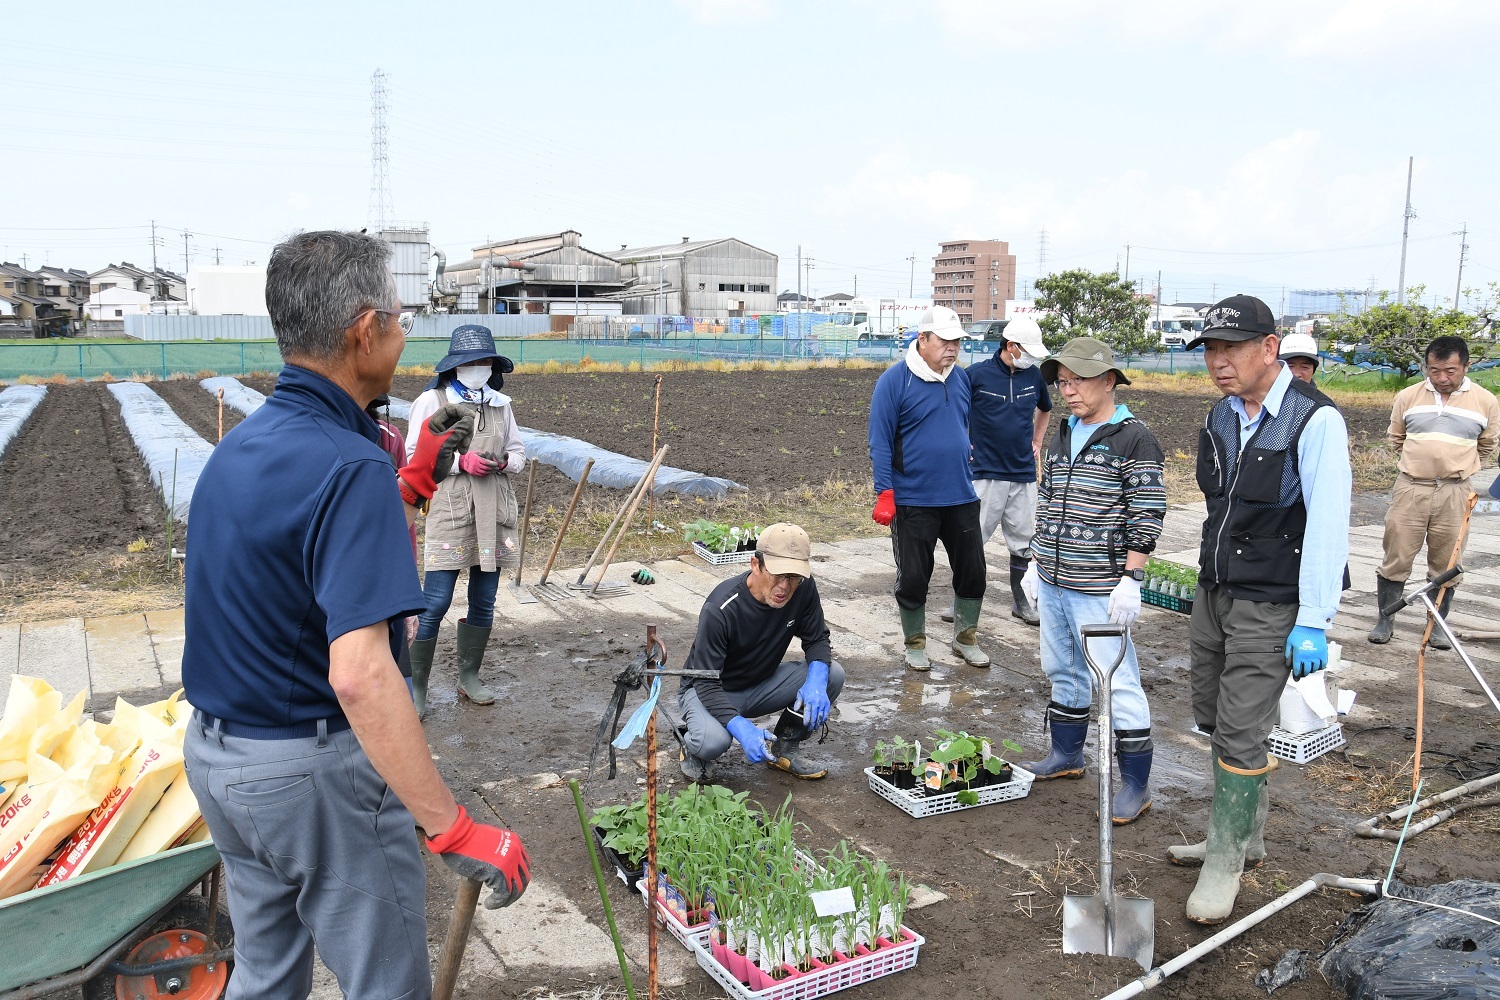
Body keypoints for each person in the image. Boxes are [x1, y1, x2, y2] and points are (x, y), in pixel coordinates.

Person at [181, 230, 530, 999]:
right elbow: (364, 677)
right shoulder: (349, 466)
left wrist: (406, 483)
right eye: (402, 319)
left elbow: (288, 578)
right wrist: (452, 825)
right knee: (384, 982)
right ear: (364, 329)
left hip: (217, 760)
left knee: (268, 973)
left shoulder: (241, 449)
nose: (409, 337)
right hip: (308, 775)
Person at [1170, 294, 1350, 925]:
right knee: (1211, 714)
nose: (1218, 362)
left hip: (1274, 601)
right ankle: (1246, 833)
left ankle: (1226, 859)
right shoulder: (1221, 417)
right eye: (1210, 350)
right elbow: (1219, 507)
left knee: (1243, 723)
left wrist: (1314, 618)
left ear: (1270, 348)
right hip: (1216, 589)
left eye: (1231, 349)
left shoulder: (1314, 421)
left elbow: (1328, 522)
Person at [1018, 338, 1165, 824]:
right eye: (1062, 382)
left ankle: (1136, 785)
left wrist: (1132, 577)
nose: (1069, 391)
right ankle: (1067, 755)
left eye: (1078, 380)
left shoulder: (1133, 438)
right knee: (1062, 668)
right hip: (1056, 578)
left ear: (1108, 380)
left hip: (1099, 585)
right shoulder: (1063, 432)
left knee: (1117, 680)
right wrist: (1037, 562)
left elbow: (1147, 510)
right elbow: (1049, 501)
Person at [406, 325, 527, 715]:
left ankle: (468, 676)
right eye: (470, 361)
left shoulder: (500, 404)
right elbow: (414, 455)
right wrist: (461, 462)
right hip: (453, 509)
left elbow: (519, 452)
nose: (478, 367)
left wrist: (507, 462)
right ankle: (417, 686)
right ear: (455, 365)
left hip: (494, 510)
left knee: (484, 599)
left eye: (484, 361)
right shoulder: (432, 400)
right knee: (436, 600)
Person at [868, 305, 990, 671]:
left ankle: (965, 639)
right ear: (922, 339)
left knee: (973, 570)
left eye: (957, 342)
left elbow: (962, 423)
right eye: (945, 341)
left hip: (960, 495)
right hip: (914, 499)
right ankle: (915, 643)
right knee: (914, 576)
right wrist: (885, 491)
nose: (952, 348)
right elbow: (880, 440)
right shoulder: (895, 381)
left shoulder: (960, 378)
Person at [677, 523, 843, 781]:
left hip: (761, 684)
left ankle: (785, 748)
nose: (785, 587)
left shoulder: (804, 589)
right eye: (777, 575)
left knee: (830, 674)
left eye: (793, 577)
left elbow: (817, 638)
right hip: (711, 690)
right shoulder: (721, 608)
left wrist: (816, 682)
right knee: (712, 742)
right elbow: (705, 683)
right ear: (756, 564)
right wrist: (742, 728)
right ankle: (691, 746)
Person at [1367, 336, 1499, 648]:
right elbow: (1396, 437)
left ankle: (1438, 623)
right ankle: (1385, 618)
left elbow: (1488, 445)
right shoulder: (1408, 396)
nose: (1442, 378)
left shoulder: (1485, 401)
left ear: (1466, 366)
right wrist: (1421, 463)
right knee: (1396, 554)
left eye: (1451, 371)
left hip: (1456, 492)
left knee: (1447, 561)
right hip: (1411, 488)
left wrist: (1457, 466)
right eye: (1434, 370)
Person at [962, 315, 1053, 626]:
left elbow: (1045, 409)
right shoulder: (975, 376)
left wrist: (1038, 440)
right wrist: (963, 442)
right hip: (984, 471)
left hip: (1023, 472)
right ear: (1011, 346)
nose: (1031, 358)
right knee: (972, 540)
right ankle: (963, 602)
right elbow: (954, 410)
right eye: (1027, 351)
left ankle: (1022, 600)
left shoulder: (1035, 377)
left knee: (1025, 541)